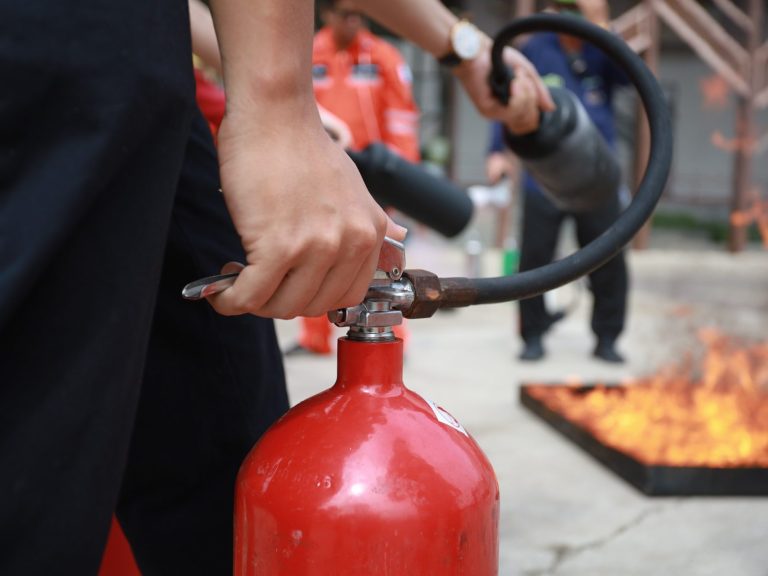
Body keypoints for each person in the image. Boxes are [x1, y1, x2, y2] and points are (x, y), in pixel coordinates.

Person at [0, 0, 552, 573]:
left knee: (219, 460)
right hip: (68, 57)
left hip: (133, 70)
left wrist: (455, 49)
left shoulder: (382, 60)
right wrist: (278, 107)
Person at [291, 0, 421, 356]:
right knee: (318, 253)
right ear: (328, 14)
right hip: (321, 173)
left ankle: (391, 337)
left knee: (382, 260)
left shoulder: (384, 56)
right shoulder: (307, 51)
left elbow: (402, 117)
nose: (354, 22)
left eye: (359, 14)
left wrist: (400, 173)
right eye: (345, 14)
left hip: (372, 176)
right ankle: (314, 338)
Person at [506, 0, 629, 364]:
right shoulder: (536, 49)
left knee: (609, 258)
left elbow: (628, 76)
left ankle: (607, 337)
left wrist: (599, 24)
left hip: (595, 175)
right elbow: (510, 104)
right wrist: (498, 151)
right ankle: (533, 335)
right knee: (535, 260)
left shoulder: (601, 48)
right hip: (544, 175)